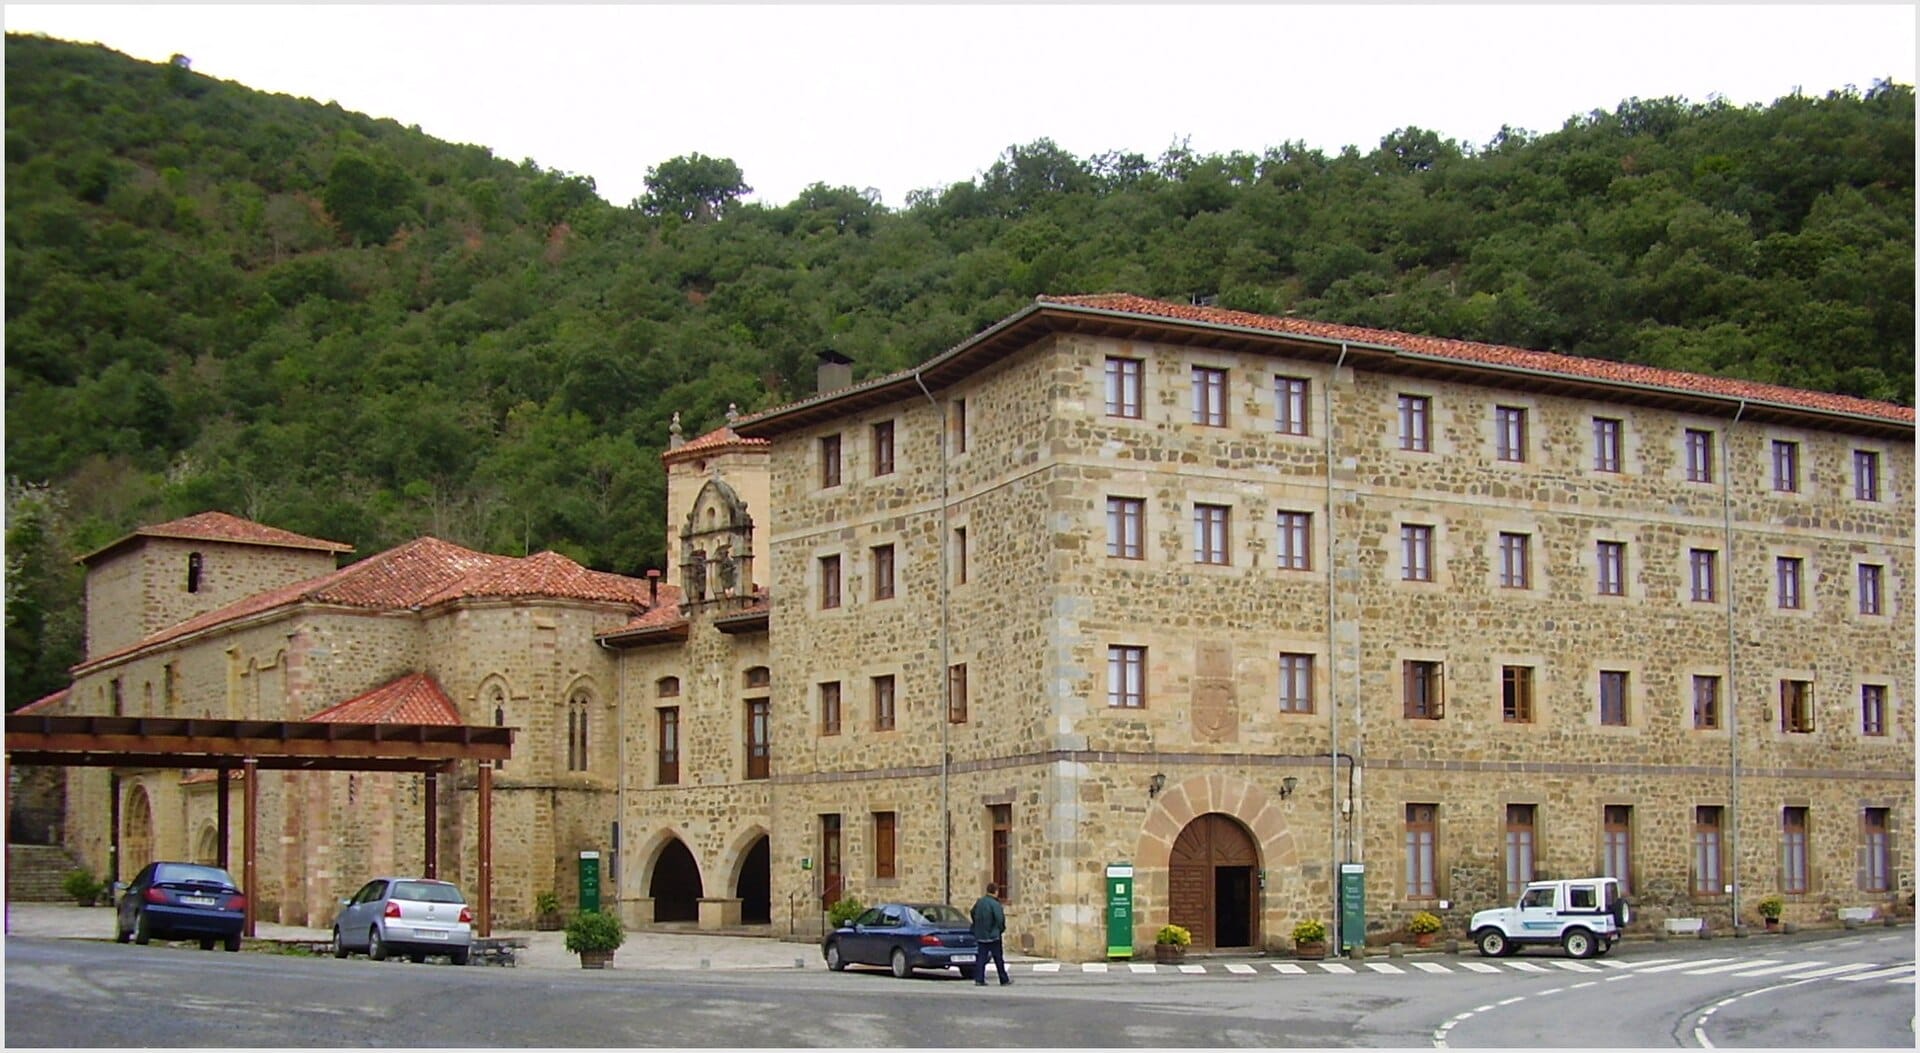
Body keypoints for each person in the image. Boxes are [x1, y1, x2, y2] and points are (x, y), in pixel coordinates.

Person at [970, 881, 1010, 986]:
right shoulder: (995, 904)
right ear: (996, 892)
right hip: (993, 936)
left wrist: (977, 925)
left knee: (981, 958)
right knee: (998, 958)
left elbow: (972, 912)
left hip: (981, 935)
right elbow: (999, 919)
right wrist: (1000, 929)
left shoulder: (980, 902)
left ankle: (979, 979)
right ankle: (1003, 979)